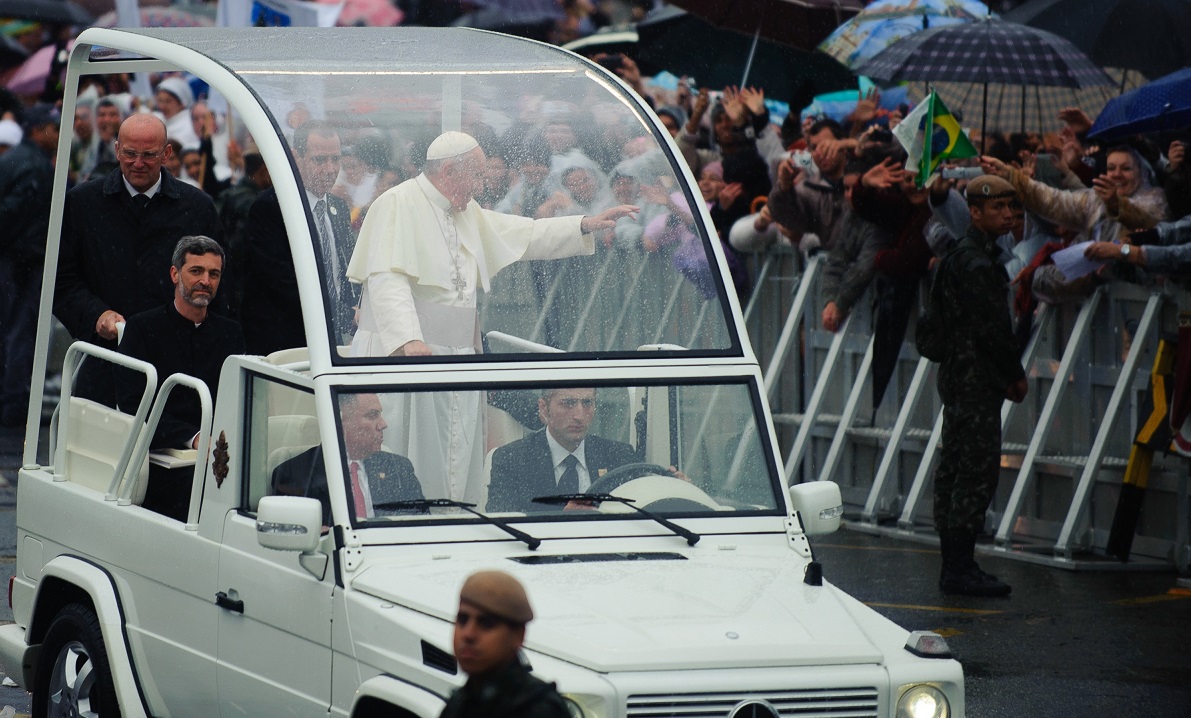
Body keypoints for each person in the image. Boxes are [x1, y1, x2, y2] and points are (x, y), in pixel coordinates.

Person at [345, 131, 637, 502]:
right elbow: (386, 277)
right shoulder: (397, 203)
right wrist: (407, 339)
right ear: (449, 171)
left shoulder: (465, 211)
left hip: (456, 358)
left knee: (457, 460)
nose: (483, 185)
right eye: (478, 176)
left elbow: (526, 235)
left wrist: (582, 224)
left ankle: (454, 521)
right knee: (410, 455)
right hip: (407, 353)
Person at [931, 175, 1028, 598]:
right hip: (975, 379)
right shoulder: (975, 262)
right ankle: (959, 567)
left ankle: (955, 565)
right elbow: (993, 328)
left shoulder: (962, 254)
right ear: (974, 212)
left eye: (1011, 208)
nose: (1007, 215)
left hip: (960, 376)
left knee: (956, 467)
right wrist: (1013, 374)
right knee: (973, 471)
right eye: (997, 208)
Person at [54, 113, 223, 348]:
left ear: (166, 154)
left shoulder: (197, 207)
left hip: (176, 352)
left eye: (149, 155)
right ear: (117, 150)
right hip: (106, 353)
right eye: (130, 154)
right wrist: (96, 315)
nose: (138, 163)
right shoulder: (83, 203)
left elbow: (218, 284)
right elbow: (61, 280)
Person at [118, 236, 245, 451]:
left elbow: (238, 401)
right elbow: (133, 403)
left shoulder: (231, 332)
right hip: (159, 453)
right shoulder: (142, 328)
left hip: (219, 449)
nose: (205, 281)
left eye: (214, 274)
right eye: (196, 271)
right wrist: (193, 438)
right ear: (175, 274)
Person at [240, 121, 355, 354]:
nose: (330, 169)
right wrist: (337, 312)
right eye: (319, 160)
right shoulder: (272, 207)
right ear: (296, 157)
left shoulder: (338, 207)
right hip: (287, 341)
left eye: (336, 159)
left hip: (333, 339)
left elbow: (344, 270)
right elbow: (281, 281)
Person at [271, 392, 424, 526]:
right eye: (372, 415)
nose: (383, 424)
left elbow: (422, 524)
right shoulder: (294, 474)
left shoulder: (398, 468)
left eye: (380, 414)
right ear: (341, 421)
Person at [441, 570, 571, 718]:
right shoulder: (461, 702)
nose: (468, 634)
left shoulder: (539, 709)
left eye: (486, 623)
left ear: (518, 635)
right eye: (463, 620)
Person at [487, 388, 636, 513]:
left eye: (587, 403)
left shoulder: (619, 456)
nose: (579, 415)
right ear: (544, 408)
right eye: (568, 403)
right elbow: (501, 526)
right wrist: (562, 518)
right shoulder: (512, 460)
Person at [0, 104, 57, 426]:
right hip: (23, 262)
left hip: (13, 258)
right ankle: (13, 403)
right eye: (52, 128)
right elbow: (15, 213)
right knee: (21, 333)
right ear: (37, 130)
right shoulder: (34, 165)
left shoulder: (13, 159)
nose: (57, 135)